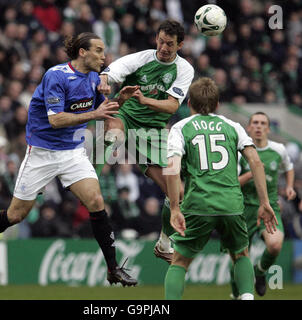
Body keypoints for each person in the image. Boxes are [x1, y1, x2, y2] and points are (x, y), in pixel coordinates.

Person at [0, 32, 138, 287]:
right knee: (15, 215)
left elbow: (103, 111)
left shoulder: (93, 78)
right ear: (82, 52)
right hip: (42, 153)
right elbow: (56, 120)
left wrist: (120, 101)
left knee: (96, 201)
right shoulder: (56, 76)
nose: (104, 56)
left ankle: (112, 268)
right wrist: (95, 113)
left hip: (72, 152)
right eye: (98, 50)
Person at [164, 77, 278, 300]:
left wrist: (175, 208)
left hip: (198, 203)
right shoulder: (233, 126)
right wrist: (265, 203)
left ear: (190, 104)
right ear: (217, 105)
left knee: (179, 262)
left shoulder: (181, 127)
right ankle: (246, 297)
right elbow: (256, 162)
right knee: (241, 255)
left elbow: (172, 166)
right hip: (232, 204)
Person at [96, 19, 194, 263]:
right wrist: (106, 80)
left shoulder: (184, 69)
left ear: (180, 45)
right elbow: (113, 70)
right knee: (113, 135)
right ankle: (88, 177)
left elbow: (172, 105)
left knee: (178, 193)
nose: (163, 47)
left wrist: (145, 100)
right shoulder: (143, 58)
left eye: (169, 44)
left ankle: (163, 243)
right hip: (125, 116)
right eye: (160, 41)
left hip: (153, 133)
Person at [229, 112, 296, 298]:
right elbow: (231, 182)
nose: (258, 126)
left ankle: (259, 271)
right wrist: (252, 173)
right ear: (249, 127)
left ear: (268, 128)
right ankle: (236, 294)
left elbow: (288, 167)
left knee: (275, 245)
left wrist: (289, 187)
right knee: (237, 259)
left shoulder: (278, 149)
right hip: (243, 209)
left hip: (269, 207)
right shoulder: (239, 151)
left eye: (262, 123)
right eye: (255, 123)